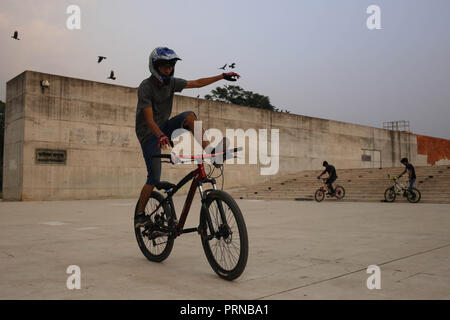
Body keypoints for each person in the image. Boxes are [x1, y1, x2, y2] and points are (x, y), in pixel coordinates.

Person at [135, 47, 240, 228]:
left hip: (163, 129)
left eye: (171, 66)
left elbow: (197, 83)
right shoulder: (146, 87)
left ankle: (211, 152)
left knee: (190, 116)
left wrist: (222, 76)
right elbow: (149, 119)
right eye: (164, 66)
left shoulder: (172, 83)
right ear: (155, 66)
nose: (168, 70)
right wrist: (160, 136)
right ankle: (139, 215)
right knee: (153, 178)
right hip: (149, 134)